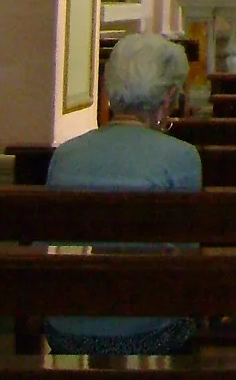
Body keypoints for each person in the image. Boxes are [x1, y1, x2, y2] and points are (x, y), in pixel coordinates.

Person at [44, 33, 202, 356]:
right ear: (168, 97)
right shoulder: (182, 157)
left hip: (66, 328)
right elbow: (187, 257)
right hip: (148, 330)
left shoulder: (66, 155)